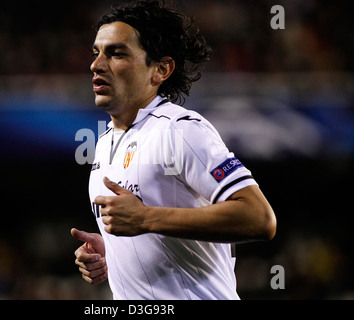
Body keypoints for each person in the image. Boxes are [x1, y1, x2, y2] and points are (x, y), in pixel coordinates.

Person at [71, 0, 276, 300]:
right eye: (96, 52)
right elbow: (154, 234)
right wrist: (113, 255)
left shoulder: (180, 129)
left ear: (160, 70)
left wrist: (146, 219)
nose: (96, 64)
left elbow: (259, 219)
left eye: (116, 53)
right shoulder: (103, 144)